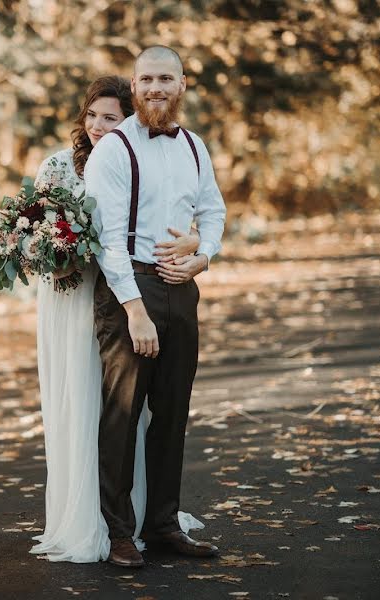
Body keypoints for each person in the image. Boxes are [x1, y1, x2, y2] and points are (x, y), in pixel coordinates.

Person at [30, 75, 204, 563]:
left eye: (112, 117)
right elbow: (39, 236)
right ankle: (98, 519)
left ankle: (150, 517)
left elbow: (176, 217)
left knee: (143, 409)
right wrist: (53, 251)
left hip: (126, 290)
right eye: (92, 116)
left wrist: (197, 246)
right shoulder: (58, 167)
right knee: (98, 407)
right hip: (74, 301)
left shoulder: (146, 157)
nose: (100, 126)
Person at [85, 46, 227, 568]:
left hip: (181, 292)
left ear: (183, 85)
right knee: (122, 416)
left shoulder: (193, 146)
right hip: (130, 293)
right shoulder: (114, 150)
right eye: (146, 79)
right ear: (134, 84)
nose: (155, 88)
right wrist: (135, 311)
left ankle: (164, 525)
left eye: (165, 78)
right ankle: (120, 532)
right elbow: (107, 241)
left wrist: (203, 257)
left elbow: (213, 209)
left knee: (172, 413)